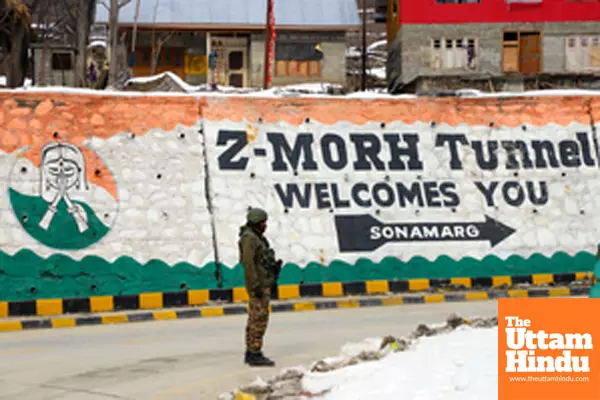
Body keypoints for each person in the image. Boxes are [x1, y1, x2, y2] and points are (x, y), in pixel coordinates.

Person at [238, 207, 282, 367]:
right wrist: (255, 286)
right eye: (263, 222)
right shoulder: (250, 238)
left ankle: (253, 351)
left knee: (258, 318)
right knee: (258, 319)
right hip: (258, 286)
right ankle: (254, 353)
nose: (265, 225)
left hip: (264, 284)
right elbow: (248, 265)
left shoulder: (257, 237)